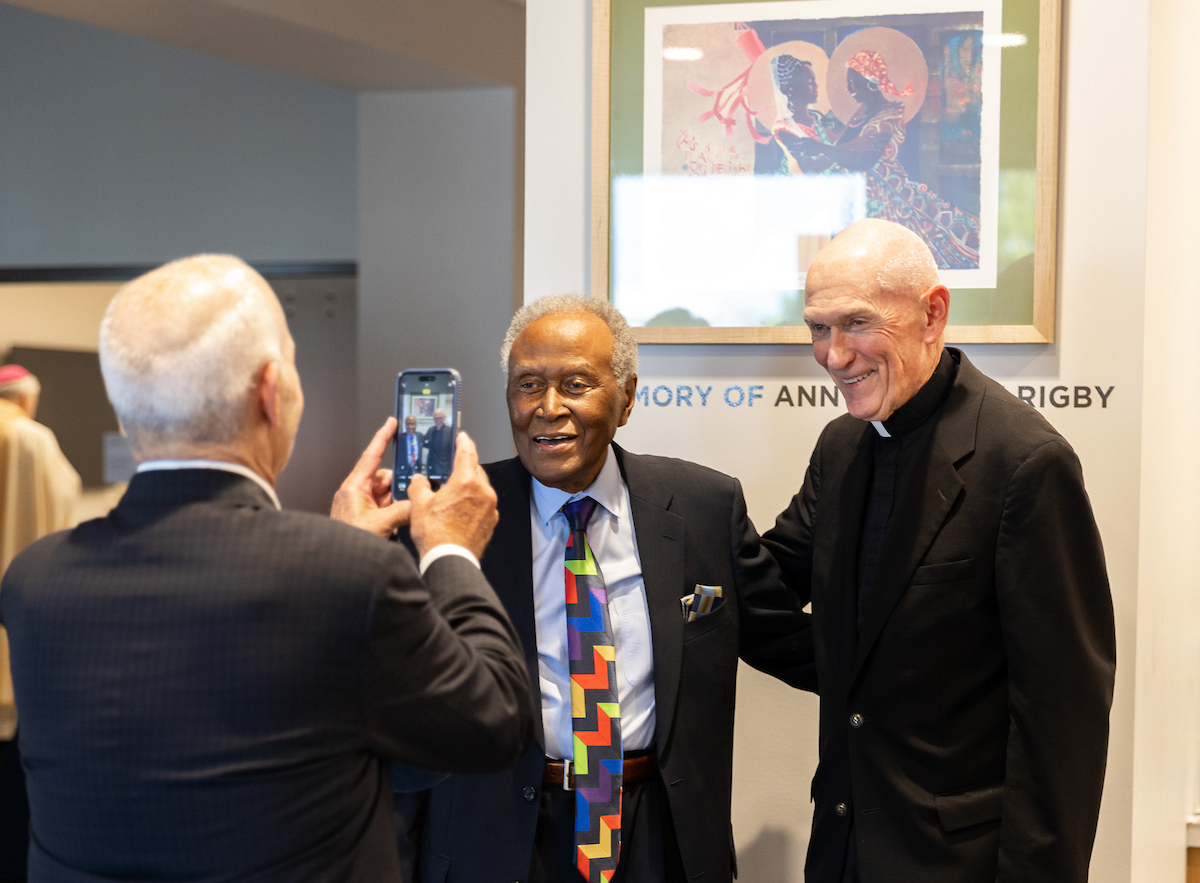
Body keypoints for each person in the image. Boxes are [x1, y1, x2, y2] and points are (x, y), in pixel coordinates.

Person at [0, 255, 533, 882]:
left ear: (126, 410)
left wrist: (343, 555)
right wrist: (450, 549)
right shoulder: (348, 579)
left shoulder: (34, 582)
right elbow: (493, 720)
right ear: (270, 391)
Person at [396, 295, 813, 883]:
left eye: (575, 384)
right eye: (528, 385)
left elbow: (790, 642)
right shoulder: (449, 522)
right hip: (497, 842)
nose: (547, 409)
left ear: (627, 399)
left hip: (660, 837)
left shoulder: (702, 508)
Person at [762, 220, 1116, 883]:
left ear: (933, 313)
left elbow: (1061, 725)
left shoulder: (1025, 463)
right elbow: (767, 591)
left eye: (856, 323)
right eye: (817, 327)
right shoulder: (841, 447)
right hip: (842, 854)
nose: (834, 355)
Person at [794, 49, 980, 269]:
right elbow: (842, 147)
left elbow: (863, 160)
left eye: (854, 82)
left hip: (885, 196)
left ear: (871, 83)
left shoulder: (889, 115)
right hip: (855, 196)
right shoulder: (861, 111)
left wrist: (819, 146)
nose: (849, 88)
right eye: (848, 82)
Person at [422, 409, 453, 477]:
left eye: (440, 418)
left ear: (444, 418)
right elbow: (422, 440)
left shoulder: (450, 431)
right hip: (431, 464)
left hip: (444, 466)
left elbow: (452, 450)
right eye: (436, 418)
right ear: (433, 419)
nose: (438, 420)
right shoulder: (431, 430)